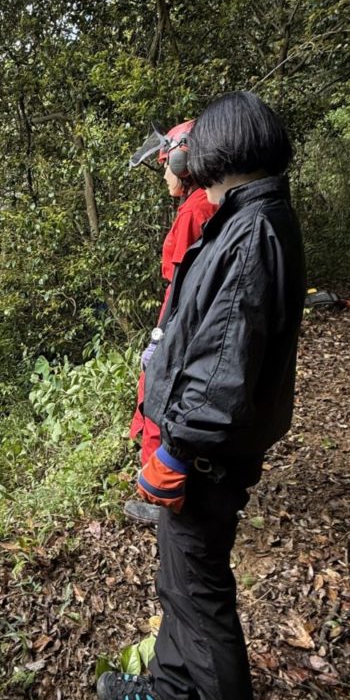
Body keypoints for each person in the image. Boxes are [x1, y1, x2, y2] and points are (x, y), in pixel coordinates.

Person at [97, 92, 306, 700]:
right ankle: (172, 686)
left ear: (221, 151)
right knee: (180, 582)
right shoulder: (249, 218)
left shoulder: (252, 234)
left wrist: (177, 451)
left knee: (203, 601)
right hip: (200, 450)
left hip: (204, 457)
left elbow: (221, 372)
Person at [126, 121, 218, 525]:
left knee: (157, 395)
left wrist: (162, 336)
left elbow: (180, 281)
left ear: (185, 164)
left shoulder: (196, 210)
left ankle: (157, 493)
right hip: (188, 314)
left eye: (167, 164)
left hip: (179, 314)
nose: (165, 173)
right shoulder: (205, 202)